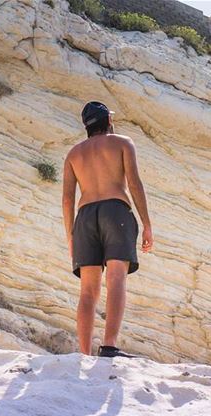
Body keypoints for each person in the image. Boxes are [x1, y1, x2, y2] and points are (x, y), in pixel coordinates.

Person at [62, 101, 153, 357]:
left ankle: (84, 353)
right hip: (115, 212)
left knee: (88, 290)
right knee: (115, 278)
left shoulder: (73, 154)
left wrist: (70, 235)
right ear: (108, 122)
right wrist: (147, 224)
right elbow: (134, 183)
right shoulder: (123, 143)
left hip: (85, 217)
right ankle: (109, 346)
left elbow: (67, 199)